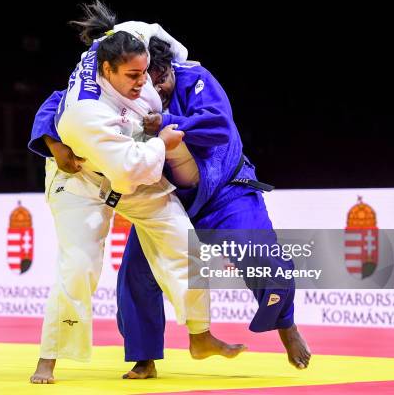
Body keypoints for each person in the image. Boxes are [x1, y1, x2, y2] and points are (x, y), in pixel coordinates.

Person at [33, 35, 311, 380]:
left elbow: (220, 126)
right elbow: (61, 101)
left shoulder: (196, 79)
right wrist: (52, 140)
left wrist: (165, 123)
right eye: (143, 78)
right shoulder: (121, 88)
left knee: (258, 253)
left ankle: (286, 326)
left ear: (169, 71)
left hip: (224, 191)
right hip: (170, 194)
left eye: (157, 79)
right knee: (136, 274)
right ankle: (144, 356)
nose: (153, 88)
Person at [28, 0, 244, 385]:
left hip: (131, 162)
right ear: (106, 69)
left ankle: (200, 333)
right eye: (133, 75)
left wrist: (172, 63)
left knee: (184, 241)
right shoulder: (86, 112)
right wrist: (164, 140)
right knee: (79, 266)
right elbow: (129, 174)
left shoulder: (130, 38)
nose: (144, 81)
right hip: (83, 180)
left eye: (146, 71)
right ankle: (50, 356)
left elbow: (168, 44)